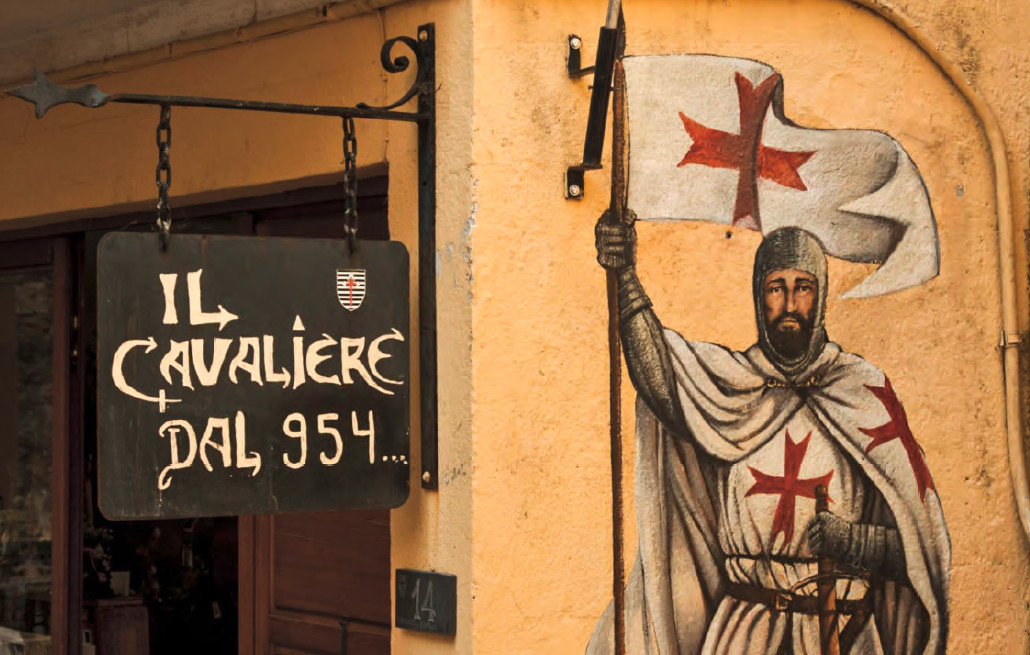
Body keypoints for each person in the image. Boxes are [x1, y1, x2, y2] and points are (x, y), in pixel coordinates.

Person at [587, 215, 950, 655]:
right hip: (746, 635)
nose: (790, 302)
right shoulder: (730, 387)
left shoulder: (861, 393)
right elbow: (662, 379)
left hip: (843, 633)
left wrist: (855, 542)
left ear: (820, 295)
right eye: (776, 288)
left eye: (803, 287)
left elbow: (922, 547)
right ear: (760, 298)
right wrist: (625, 275)